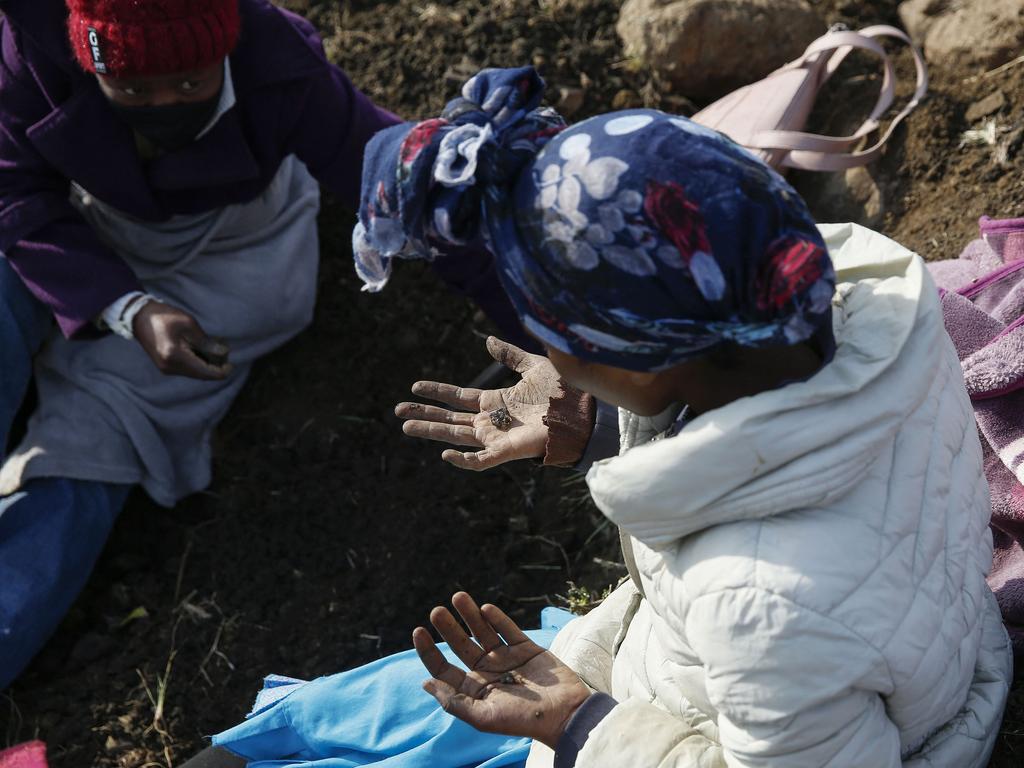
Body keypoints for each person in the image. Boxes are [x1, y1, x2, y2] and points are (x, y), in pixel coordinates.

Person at [193, 67, 1011, 768]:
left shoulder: (765, 604)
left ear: (642, 361)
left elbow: (777, 636)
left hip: (720, 719)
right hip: (762, 670)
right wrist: (602, 430)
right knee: (372, 714)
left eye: (555, 337)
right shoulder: (855, 308)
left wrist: (581, 724)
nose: (545, 354)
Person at [0, 0, 526, 690]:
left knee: (101, 430)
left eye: (190, 84)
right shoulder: (29, 48)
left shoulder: (283, 72)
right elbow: (14, 194)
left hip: (229, 254)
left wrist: (547, 333)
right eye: (131, 91)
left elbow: (415, 196)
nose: (162, 106)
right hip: (82, 223)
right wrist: (123, 305)